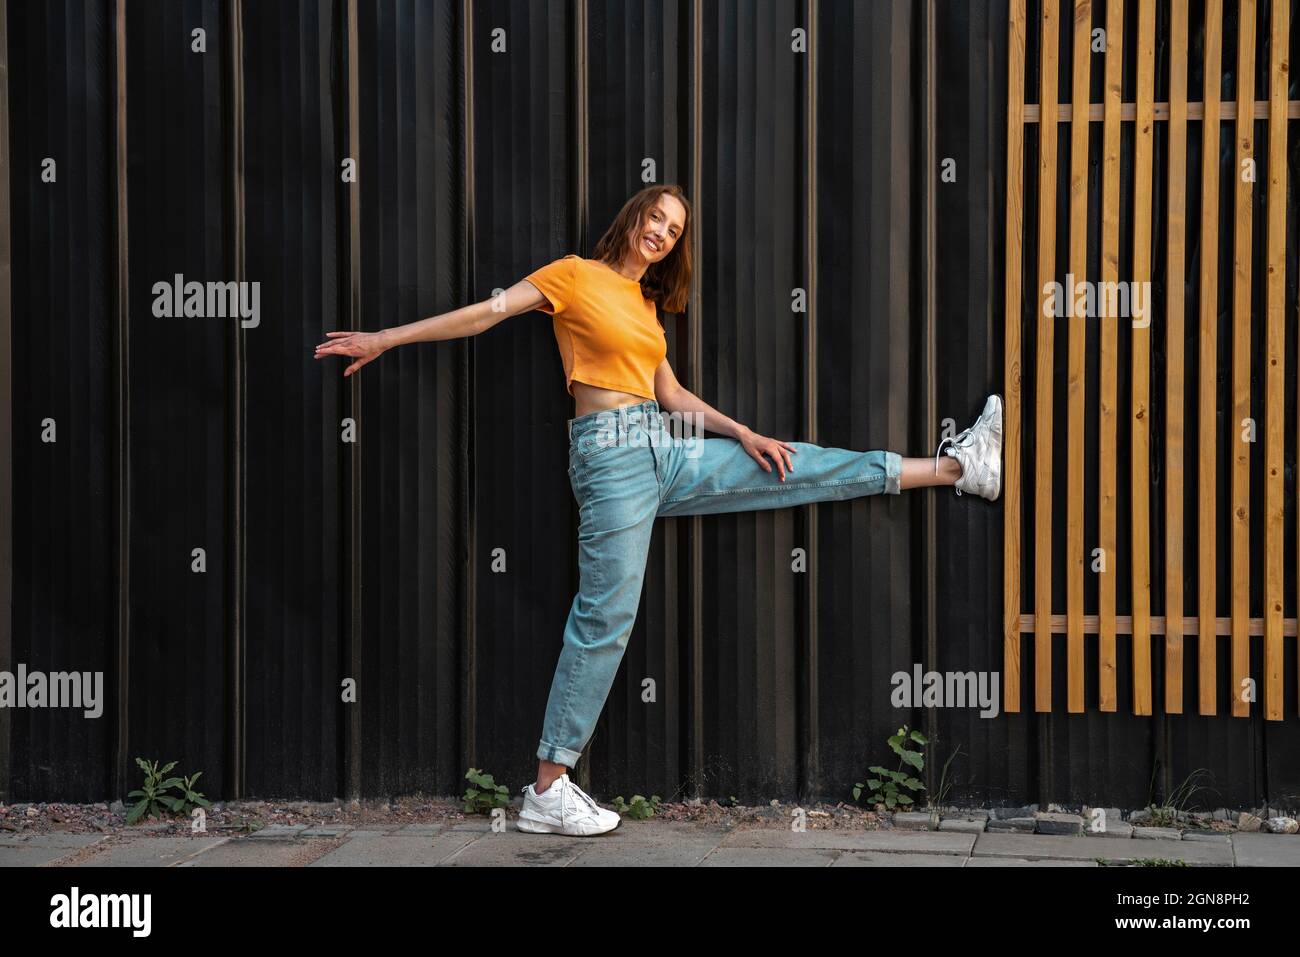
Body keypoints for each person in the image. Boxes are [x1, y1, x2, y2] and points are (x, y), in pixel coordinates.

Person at [314, 184, 1002, 837]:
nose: (663, 234)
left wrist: (743, 433)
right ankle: (547, 788)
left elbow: (672, 396)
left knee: (797, 463)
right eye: (658, 219)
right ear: (635, 214)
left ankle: (958, 468)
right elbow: (485, 312)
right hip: (610, 456)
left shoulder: (645, 307)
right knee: (604, 616)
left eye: (674, 232)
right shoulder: (573, 276)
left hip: (666, 448)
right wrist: (385, 338)